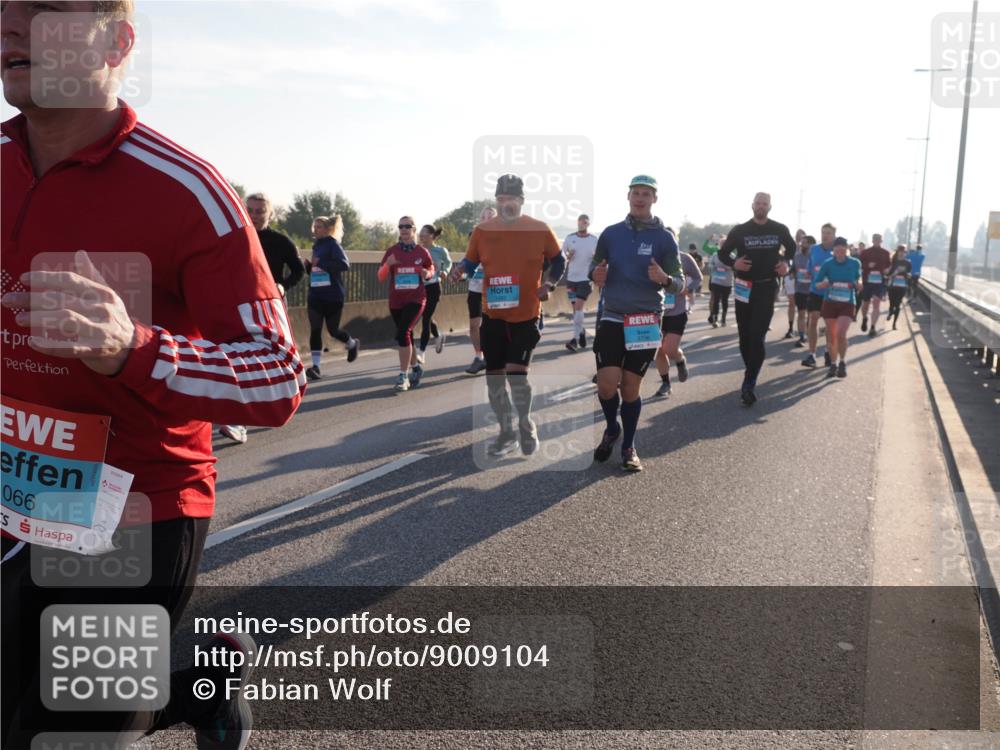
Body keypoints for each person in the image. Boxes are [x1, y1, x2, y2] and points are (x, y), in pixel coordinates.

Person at [0, 3, 304, 746]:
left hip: (133, 508)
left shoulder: (186, 191)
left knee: (66, 734)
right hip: (14, 493)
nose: (12, 28)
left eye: (45, 12)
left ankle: (195, 681)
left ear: (118, 40)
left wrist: (133, 346)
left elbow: (275, 378)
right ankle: (198, 677)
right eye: (5, 13)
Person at [452, 175, 564, 456]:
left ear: (521, 201)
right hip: (494, 315)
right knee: (494, 379)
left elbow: (559, 260)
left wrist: (548, 284)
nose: (505, 205)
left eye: (511, 200)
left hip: (526, 315)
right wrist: (459, 270)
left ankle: (525, 423)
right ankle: (506, 432)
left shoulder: (539, 229)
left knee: (516, 375)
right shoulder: (483, 230)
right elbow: (470, 260)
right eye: (501, 200)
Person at [590, 175, 684, 471]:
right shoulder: (610, 234)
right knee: (607, 385)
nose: (640, 198)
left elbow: (680, 284)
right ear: (628, 196)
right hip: (612, 316)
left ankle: (629, 446)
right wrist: (596, 275)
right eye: (635, 193)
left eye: (646, 193)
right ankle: (611, 428)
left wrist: (665, 280)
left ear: (654, 199)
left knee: (630, 388)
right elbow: (595, 267)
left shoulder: (665, 238)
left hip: (644, 319)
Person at [219, 191, 306, 444]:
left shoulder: (280, 241)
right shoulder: (234, 235)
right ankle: (238, 421)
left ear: (269, 214)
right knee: (239, 358)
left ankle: (272, 400)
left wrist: (282, 286)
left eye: (260, 212)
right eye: (251, 210)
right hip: (237, 304)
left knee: (265, 359)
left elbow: (299, 270)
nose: (254, 216)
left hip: (269, 306)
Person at [717, 192, 795, 405]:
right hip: (743, 287)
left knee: (757, 334)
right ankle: (750, 370)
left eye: (765, 204)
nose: (761, 206)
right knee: (744, 336)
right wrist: (734, 264)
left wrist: (786, 263)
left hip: (766, 286)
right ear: (752, 205)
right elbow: (723, 253)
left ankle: (749, 383)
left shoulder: (779, 229)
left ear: (770, 207)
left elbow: (792, 248)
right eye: (758, 203)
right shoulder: (740, 230)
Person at [377, 216, 435, 391]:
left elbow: (431, 269)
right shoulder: (392, 251)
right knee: (405, 336)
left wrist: (427, 273)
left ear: (414, 229)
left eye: (407, 226)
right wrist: (387, 265)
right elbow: (380, 277)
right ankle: (416, 368)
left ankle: (403, 376)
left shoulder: (421, 252)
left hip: (416, 299)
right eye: (401, 226)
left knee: (403, 332)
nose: (404, 229)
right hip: (396, 301)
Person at [305, 214, 360, 381]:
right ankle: (316, 367)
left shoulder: (333, 244)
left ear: (328, 229)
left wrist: (320, 263)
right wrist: (309, 268)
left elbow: (344, 264)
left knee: (333, 330)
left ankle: (352, 344)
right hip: (315, 294)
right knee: (315, 329)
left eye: (319, 226)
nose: (315, 230)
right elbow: (317, 270)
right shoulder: (317, 245)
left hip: (333, 295)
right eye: (314, 226)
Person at [654, 249, 703, 398]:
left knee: (669, 348)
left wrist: (686, 288)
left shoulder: (684, 258)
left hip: (678, 310)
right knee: (658, 350)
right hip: (656, 310)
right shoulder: (651, 258)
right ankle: (666, 383)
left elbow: (698, 277)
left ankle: (680, 360)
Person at [814, 237, 863, 378]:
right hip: (830, 302)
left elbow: (859, 277)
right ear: (833, 251)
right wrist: (823, 284)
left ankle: (842, 362)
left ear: (846, 249)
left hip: (847, 303)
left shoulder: (854, 263)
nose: (840, 252)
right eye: (837, 249)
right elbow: (817, 283)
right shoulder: (827, 264)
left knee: (841, 333)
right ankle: (833, 364)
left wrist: (859, 283)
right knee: (832, 335)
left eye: (843, 249)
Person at [460, 207, 496, 375]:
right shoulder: (475, 239)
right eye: (483, 216)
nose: (486, 218)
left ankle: (494, 355)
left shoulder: (500, 240)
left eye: (490, 216)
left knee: (491, 326)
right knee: (474, 325)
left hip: (494, 290)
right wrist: (460, 272)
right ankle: (479, 357)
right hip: (475, 289)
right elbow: (466, 260)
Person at [801, 223, 837, 369]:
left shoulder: (837, 251)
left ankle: (828, 352)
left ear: (834, 235)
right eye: (823, 232)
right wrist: (808, 273)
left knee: (829, 325)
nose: (825, 235)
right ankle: (812, 355)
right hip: (815, 291)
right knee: (813, 319)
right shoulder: (814, 249)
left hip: (831, 293)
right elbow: (810, 267)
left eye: (828, 233)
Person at [416, 223, 452, 364]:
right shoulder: (417, 250)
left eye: (424, 232)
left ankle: (422, 352)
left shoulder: (440, 250)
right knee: (426, 317)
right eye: (420, 232)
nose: (421, 235)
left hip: (433, 287)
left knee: (426, 319)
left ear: (431, 236)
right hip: (419, 288)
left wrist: (444, 271)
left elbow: (448, 263)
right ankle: (438, 336)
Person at [562, 214, 598, 352]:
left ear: (588, 224)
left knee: (578, 306)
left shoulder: (594, 240)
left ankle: (574, 340)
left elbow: (600, 256)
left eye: (585, 222)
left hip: (586, 279)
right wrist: (567, 256)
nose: (583, 224)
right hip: (571, 279)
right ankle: (581, 331)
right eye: (580, 222)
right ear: (577, 223)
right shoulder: (570, 238)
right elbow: (562, 254)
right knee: (576, 310)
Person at [859, 233, 892, 337]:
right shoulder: (865, 252)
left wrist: (887, 270)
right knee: (865, 304)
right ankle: (864, 318)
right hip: (867, 282)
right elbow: (859, 264)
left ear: (881, 241)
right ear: (872, 240)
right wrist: (867, 265)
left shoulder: (886, 253)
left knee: (876, 303)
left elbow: (889, 266)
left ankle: (873, 327)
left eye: (878, 239)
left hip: (879, 282)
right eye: (875, 239)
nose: (877, 241)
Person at [790, 234, 815, 347]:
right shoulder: (797, 256)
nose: (801, 244)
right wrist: (792, 274)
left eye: (804, 242)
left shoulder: (815, 257)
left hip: (812, 290)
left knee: (811, 315)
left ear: (811, 244)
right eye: (801, 242)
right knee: (801, 313)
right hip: (799, 289)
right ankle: (801, 336)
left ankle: (810, 332)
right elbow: (793, 269)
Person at [887, 245, 913, 330]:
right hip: (892, 286)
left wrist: (909, 275)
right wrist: (893, 274)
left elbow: (909, 274)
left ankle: (894, 324)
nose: (902, 253)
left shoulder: (908, 263)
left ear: (905, 253)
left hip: (902, 286)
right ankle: (890, 312)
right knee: (892, 303)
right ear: (897, 252)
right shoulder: (893, 261)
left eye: (903, 252)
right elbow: (888, 274)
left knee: (898, 304)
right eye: (900, 251)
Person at [706, 251, 733, 328]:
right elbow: (710, 265)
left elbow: (734, 266)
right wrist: (714, 267)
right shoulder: (715, 255)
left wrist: (725, 268)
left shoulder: (731, 256)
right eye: (722, 245)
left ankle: (723, 318)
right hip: (716, 280)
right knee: (716, 300)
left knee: (724, 300)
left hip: (727, 282)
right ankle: (715, 319)